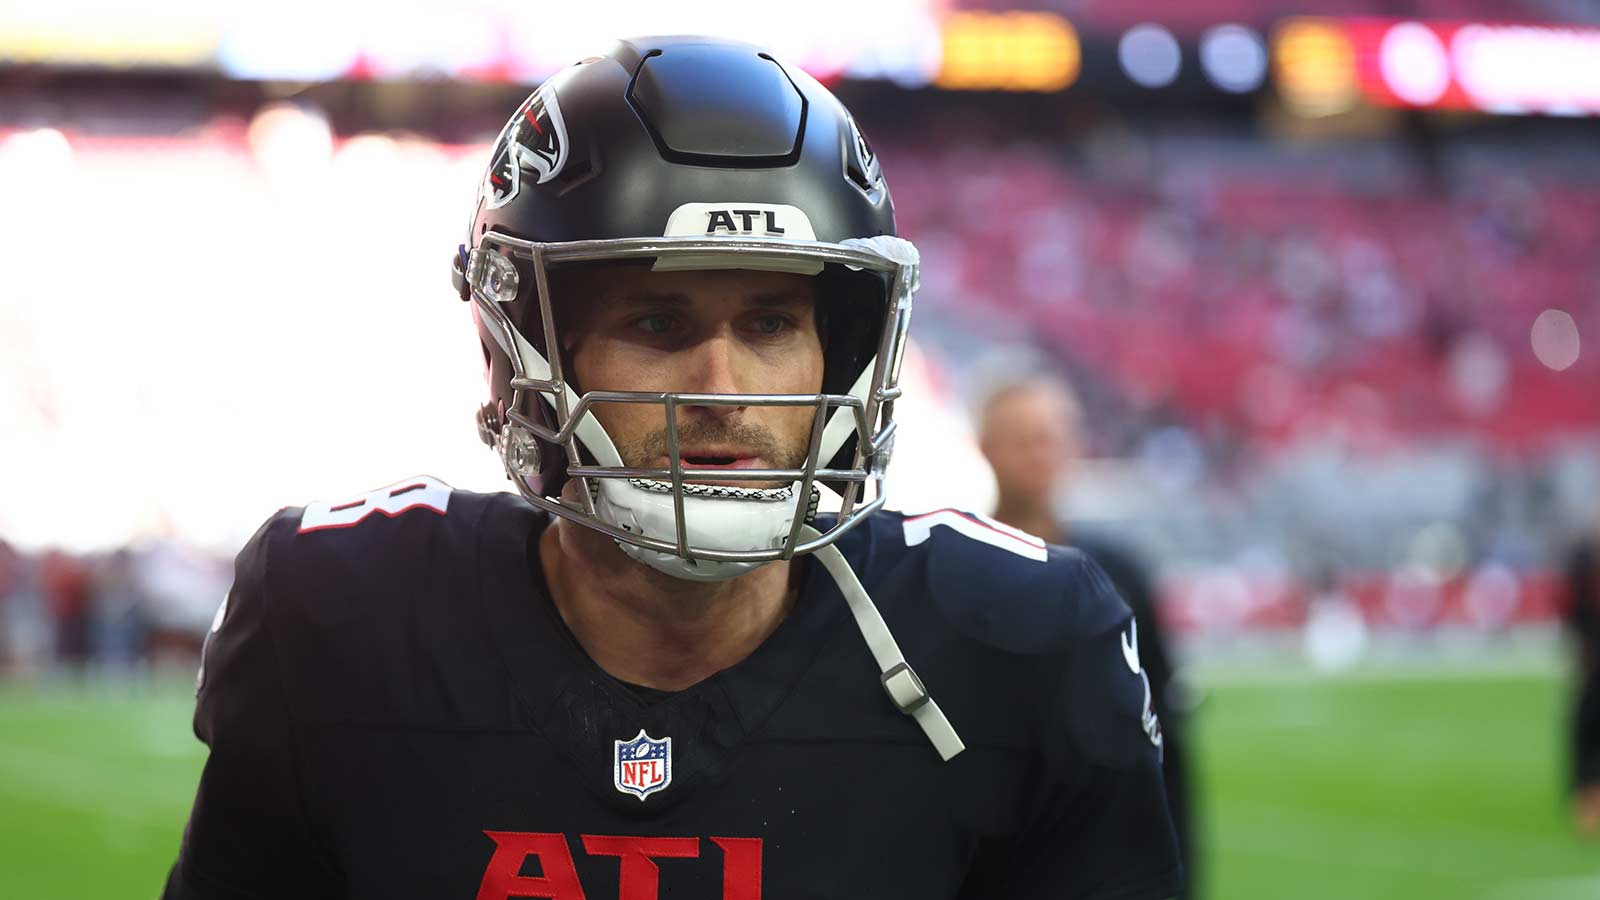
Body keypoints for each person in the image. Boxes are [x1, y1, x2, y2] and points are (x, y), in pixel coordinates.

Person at [163, 37, 1181, 900]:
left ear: (845, 353)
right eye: (658, 321)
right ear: (531, 350)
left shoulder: (1019, 644)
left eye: (772, 322)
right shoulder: (338, 617)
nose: (722, 388)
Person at [978, 376, 1195, 897]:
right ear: (987, 447)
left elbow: (1164, 731)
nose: (1044, 454)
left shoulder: (1119, 572)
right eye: (1026, 438)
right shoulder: (954, 568)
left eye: (1055, 436)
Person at [1564, 519, 1600, 834]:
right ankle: (1587, 805)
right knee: (1586, 733)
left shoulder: (1584, 558)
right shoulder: (1583, 560)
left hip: (1591, 663)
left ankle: (1587, 806)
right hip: (1591, 661)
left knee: (1585, 734)